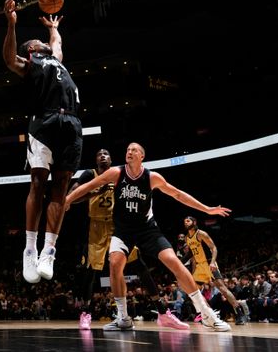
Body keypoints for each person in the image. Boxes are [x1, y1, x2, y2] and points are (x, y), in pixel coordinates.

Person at [65, 142, 231, 332]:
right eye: (127, 150)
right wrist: (67, 201)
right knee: (115, 262)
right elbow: (88, 186)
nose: (129, 152)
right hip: (123, 230)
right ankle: (123, 317)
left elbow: (177, 194)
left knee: (173, 261)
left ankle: (206, 313)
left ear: (142, 156)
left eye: (133, 150)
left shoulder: (152, 177)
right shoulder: (116, 173)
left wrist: (207, 209)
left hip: (146, 229)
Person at [3, 0, 83, 283]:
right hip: (44, 120)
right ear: (32, 50)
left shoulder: (55, 59)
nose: (43, 42)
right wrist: (12, 25)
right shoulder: (32, 62)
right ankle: (29, 249)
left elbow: (58, 45)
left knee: (61, 186)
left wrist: (52, 27)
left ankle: (49, 249)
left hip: (71, 122)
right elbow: (9, 59)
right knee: (38, 181)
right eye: (38, 40)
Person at [69, 149, 187, 330]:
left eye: (106, 154)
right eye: (99, 154)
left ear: (111, 158)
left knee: (139, 265)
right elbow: (73, 196)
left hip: (119, 225)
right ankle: (86, 313)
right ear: (95, 159)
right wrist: (94, 192)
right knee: (91, 271)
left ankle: (162, 311)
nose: (103, 156)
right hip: (97, 226)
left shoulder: (119, 174)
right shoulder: (89, 174)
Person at [183, 216, 247, 324]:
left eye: (188, 221)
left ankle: (239, 313)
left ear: (194, 222)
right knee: (194, 292)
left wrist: (213, 262)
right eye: (184, 222)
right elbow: (191, 254)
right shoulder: (187, 238)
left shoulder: (201, 234)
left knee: (222, 288)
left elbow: (213, 248)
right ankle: (210, 314)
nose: (186, 223)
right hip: (199, 266)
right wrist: (180, 261)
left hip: (208, 263)